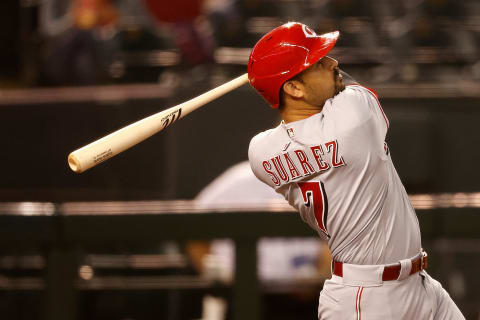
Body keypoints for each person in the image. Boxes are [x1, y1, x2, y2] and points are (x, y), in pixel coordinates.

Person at [247, 22, 464, 319]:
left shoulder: (260, 152)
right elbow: (346, 85)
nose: (333, 63)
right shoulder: (354, 118)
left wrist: (278, 73)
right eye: (319, 62)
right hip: (368, 299)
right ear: (294, 87)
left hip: (417, 284)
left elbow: (294, 129)